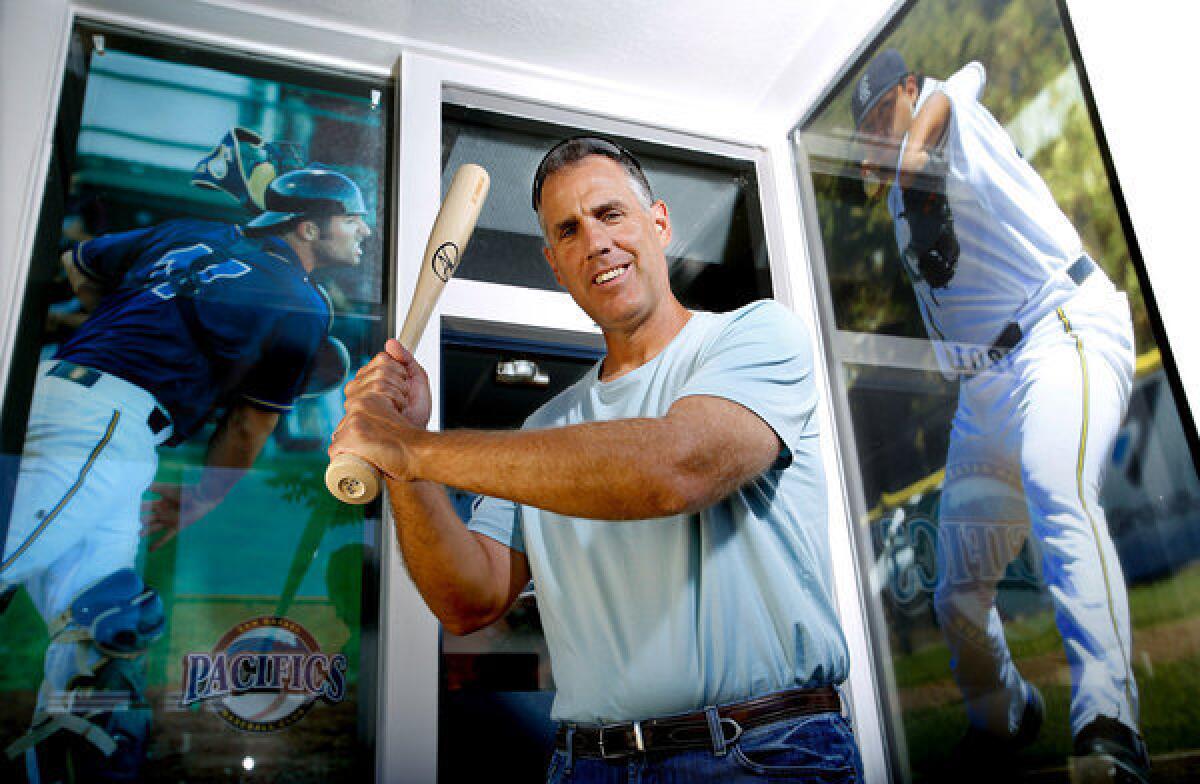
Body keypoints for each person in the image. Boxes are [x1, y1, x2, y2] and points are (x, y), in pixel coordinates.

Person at [330, 136, 863, 782]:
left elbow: (674, 468)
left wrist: (417, 448)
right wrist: (403, 461)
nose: (596, 242)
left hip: (761, 752)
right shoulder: (545, 429)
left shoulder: (755, 336)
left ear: (659, 224)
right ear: (556, 265)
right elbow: (466, 598)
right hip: (588, 764)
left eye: (611, 214)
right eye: (569, 230)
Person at [0, 167, 371, 781]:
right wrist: (201, 498)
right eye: (350, 218)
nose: (362, 228)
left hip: (70, 400)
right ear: (307, 226)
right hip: (100, 424)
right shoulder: (300, 301)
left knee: (104, 627)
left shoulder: (191, 232)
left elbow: (79, 266)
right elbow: (249, 428)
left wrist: (130, 327)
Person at [853, 49, 1147, 782]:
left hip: (1057, 328)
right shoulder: (899, 191)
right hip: (984, 391)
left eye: (881, 112)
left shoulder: (955, 125)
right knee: (957, 590)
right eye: (863, 127)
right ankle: (1004, 716)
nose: (873, 133)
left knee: (1059, 490)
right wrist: (904, 159)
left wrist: (917, 136)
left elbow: (969, 75)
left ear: (911, 92)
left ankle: (1110, 721)